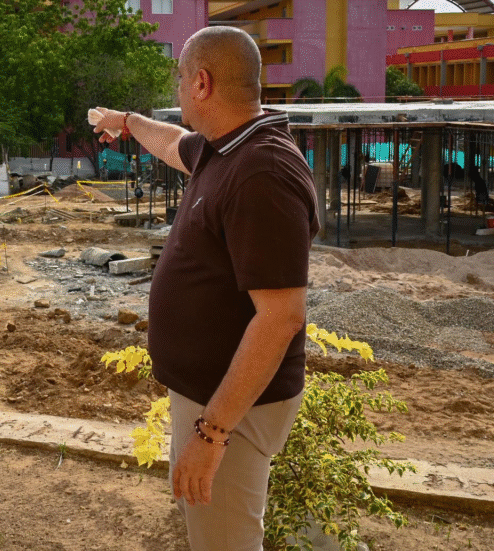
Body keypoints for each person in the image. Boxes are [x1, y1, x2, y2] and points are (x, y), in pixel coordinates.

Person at [92, 27, 319, 551]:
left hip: (231, 409)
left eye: (179, 79)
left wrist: (212, 433)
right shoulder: (226, 147)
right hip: (210, 397)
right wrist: (127, 122)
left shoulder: (262, 172)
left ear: (201, 83)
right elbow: (173, 144)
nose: (176, 90)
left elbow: (281, 317)